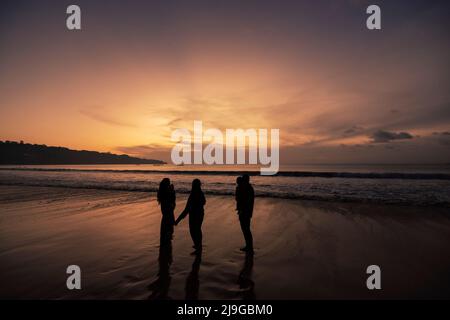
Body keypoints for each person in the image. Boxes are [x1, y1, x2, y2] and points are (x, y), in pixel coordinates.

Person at [175, 179, 206, 252]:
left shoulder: (192, 194)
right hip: (200, 213)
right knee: (198, 229)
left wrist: (178, 220)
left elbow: (186, 209)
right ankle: (199, 245)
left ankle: (198, 246)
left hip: (193, 215)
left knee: (193, 231)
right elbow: (204, 202)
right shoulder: (201, 193)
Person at [236, 174, 254, 253]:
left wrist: (241, 210)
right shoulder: (248, 188)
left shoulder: (246, 189)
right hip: (246, 211)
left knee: (246, 229)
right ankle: (249, 246)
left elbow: (242, 200)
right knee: (246, 229)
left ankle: (249, 246)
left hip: (245, 212)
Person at [157, 178, 176, 245]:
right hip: (168, 210)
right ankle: (167, 238)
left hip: (165, 210)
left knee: (165, 222)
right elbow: (172, 202)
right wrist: (173, 191)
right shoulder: (167, 192)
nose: (169, 184)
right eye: (168, 183)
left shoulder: (162, 191)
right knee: (168, 223)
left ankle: (165, 238)